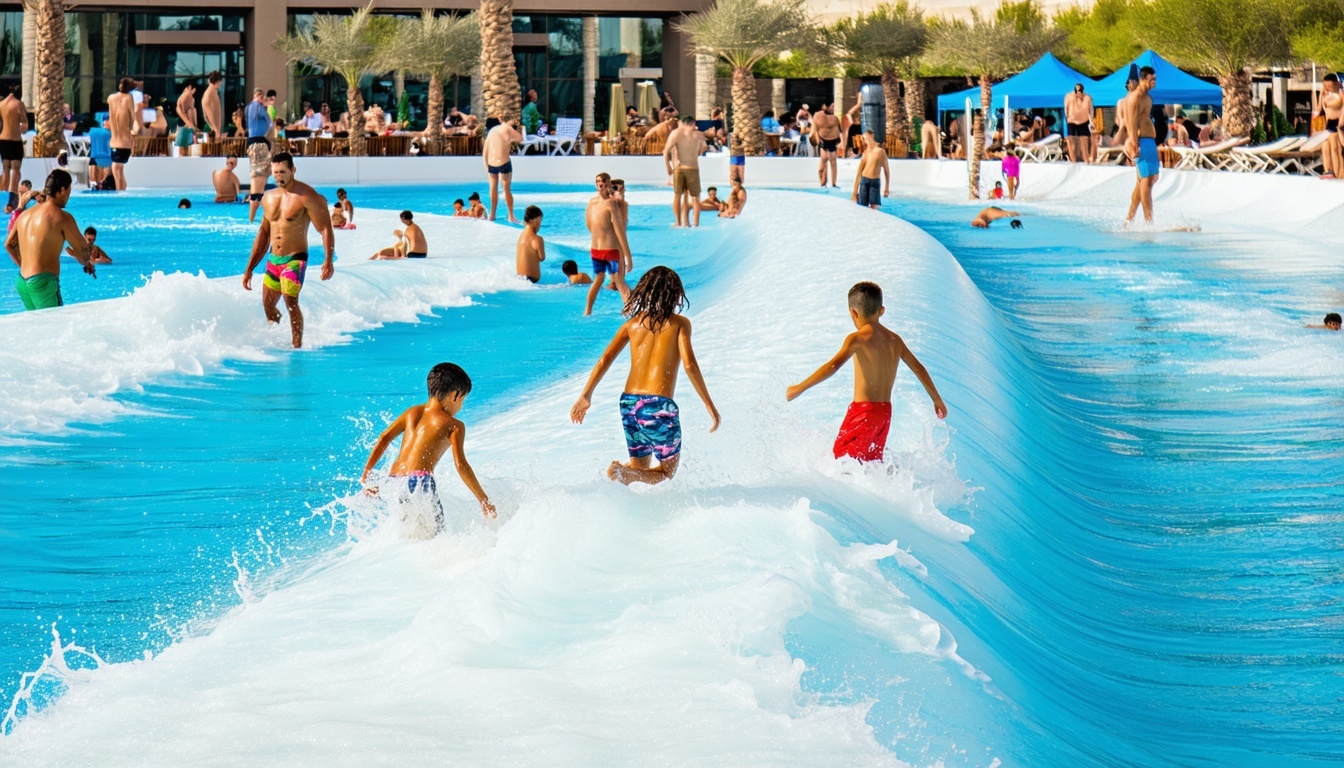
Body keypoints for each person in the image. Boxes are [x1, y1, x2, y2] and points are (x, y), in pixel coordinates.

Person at [570, 266, 719, 485]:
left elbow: (604, 360)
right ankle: (623, 473)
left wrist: (586, 396)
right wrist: (709, 406)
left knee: (640, 469)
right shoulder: (679, 323)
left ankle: (623, 478)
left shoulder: (632, 324)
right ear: (675, 293)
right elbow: (689, 364)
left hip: (629, 403)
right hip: (658, 405)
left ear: (644, 292)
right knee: (666, 474)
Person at [786, 282, 946, 462]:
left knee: (842, 462)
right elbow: (919, 369)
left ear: (853, 313)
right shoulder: (895, 340)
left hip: (863, 412)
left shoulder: (858, 338)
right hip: (884, 415)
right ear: (881, 310)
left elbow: (832, 367)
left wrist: (799, 387)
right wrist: (937, 400)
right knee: (870, 465)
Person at [360, 362, 496, 534]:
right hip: (419, 482)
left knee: (410, 533)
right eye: (463, 400)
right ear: (455, 395)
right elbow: (461, 466)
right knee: (436, 536)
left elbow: (383, 439)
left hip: (393, 481)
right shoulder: (454, 426)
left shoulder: (412, 412)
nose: (461, 406)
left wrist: (367, 473)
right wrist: (484, 500)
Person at [241, 152, 335, 349]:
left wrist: (328, 260)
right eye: (275, 173)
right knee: (268, 305)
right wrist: (249, 268)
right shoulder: (269, 197)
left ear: (293, 170)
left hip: (295, 259)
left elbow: (325, 228)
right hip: (273, 260)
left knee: (290, 299)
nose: (278, 176)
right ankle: (275, 340)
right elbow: (264, 234)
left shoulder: (307, 196)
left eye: (282, 172)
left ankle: (296, 347)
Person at [6, 170, 93, 311]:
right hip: (43, 284)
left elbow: (9, 245)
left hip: (22, 282)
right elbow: (84, 253)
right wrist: (86, 258)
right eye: (69, 191)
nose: (68, 196)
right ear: (62, 190)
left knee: (39, 329)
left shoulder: (25, 215)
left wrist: (28, 268)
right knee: (55, 330)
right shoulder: (61, 217)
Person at [584, 172, 632, 316]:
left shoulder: (599, 203)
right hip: (605, 251)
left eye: (603, 182)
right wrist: (628, 257)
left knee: (606, 281)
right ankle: (629, 312)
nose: (601, 184)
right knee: (616, 282)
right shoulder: (604, 204)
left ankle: (588, 311)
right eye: (599, 182)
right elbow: (620, 232)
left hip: (601, 250)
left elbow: (591, 226)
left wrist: (627, 256)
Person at [1121, 66, 1159, 224]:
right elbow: (1130, 122)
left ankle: (1129, 219)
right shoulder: (1133, 98)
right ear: (1143, 79)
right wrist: (1132, 144)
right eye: (1151, 79)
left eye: (1155, 79)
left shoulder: (1148, 98)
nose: (1154, 83)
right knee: (1147, 181)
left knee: (1149, 179)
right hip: (1140, 142)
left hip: (1150, 142)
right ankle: (1148, 220)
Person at [664, 115, 706, 228]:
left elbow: (666, 150)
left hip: (679, 168)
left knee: (678, 195)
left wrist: (668, 166)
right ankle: (695, 223)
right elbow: (704, 147)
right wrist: (696, 154)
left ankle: (679, 222)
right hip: (692, 167)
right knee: (695, 197)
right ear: (693, 123)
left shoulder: (676, 133)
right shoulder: (698, 134)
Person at [481, 117, 522, 222]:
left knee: (493, 188)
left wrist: (487, 169)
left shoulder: (490, 133)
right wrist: (510, 139)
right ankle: (511, 215)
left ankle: (492, 214)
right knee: (506, 189)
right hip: (504, 163)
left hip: (491, 164)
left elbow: (484, 153)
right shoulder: (506, 128)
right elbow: (520, 138)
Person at [244, 88, 272, 223]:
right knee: (259, 176)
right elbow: (269, 124)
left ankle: (253, 215)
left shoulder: (249, 108)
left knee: (261, 175)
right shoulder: (257, 107)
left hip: (255, 143)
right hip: (259, 143)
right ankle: (252, 214)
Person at [107, 78, 139, 191]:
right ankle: (122, 193)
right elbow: (133, 117)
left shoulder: (111, 98)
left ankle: (120, 193)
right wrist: (134, 129)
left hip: (116, 142)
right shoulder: (127, 98)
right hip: (124, 143)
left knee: (116, 168)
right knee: (118, 169)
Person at [0, 84, 26, 208]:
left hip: (3, 139)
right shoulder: (19, 104)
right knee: (15, 168)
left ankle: (2, 197)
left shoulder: (1, 104)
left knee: (5, 168)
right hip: (15, 140)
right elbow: (25, 126)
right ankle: (11, 201)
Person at [851, 129, 889, 210]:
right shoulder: (866, 153)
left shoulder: (881, 152)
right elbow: (859, 173)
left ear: (872, 136)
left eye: (867, 138)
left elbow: (887, 171)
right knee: (862, 208)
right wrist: (854, 193)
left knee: (875, 208)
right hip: (864, 180)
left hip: (875, 182)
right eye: (864, 139)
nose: (866, 141)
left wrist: (887, 187)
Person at [1316, 74, 1342, 180]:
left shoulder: (1340, 93)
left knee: (1336, 149)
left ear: (1336, 84)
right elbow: (1319, 109)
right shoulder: (1324, 95)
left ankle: (1338, 174)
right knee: (1326, 146)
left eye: (1329, 85)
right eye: (1325, 85)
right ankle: (1328, 171)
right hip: (1330, 122)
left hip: (1339, 121)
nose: (1326, 87)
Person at [1064, 83, 1093, 163]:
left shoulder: (1087, 98)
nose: (1079, 94)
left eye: (1080, 91)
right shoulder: (1069, 97)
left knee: (1084, 140)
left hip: (1083, 121)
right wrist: (1067, 117)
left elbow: (1091, 110)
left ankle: (1085, 158)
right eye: (1077, 91)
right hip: (1072, 120)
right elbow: (1066, 107)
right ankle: (1073, 159)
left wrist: (1091, 122)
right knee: (1071, 140)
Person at [515, 205, 545, 282]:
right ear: (536, 219)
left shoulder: (521, 236)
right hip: (531, 281)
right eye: (540, 221)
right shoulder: (537, 239)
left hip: (519, 279)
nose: (540, 224)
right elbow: (542, 258)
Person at [814, 103, 841, 187]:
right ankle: (822, 183)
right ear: (825, 106)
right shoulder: (818, 115)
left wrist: (841, 142)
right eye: (832, 106)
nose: (833, 108)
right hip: (823, 141)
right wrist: (818, 141)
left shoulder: (835, 118)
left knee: (833, 162)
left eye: (834, 106)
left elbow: (840, 130)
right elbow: (815, 129)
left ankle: (833, 184)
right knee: (822, 165)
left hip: (833, 141)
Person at [175, 82, 199, 154]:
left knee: (186, 150)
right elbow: (182, 113)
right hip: (185, 126)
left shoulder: (190, 99)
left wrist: (193, 127)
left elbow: (192, 113)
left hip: (187, 126)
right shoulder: (186, 97)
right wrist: (192, 126)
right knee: (183, 150)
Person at [201, 71, 224, 139]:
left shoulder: (214, 91)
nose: (221, 83)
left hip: (216, 129)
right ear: (216, 82)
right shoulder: (208, 95)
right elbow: (208, 114)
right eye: (220, 81)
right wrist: (216, 130)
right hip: (213, 131)